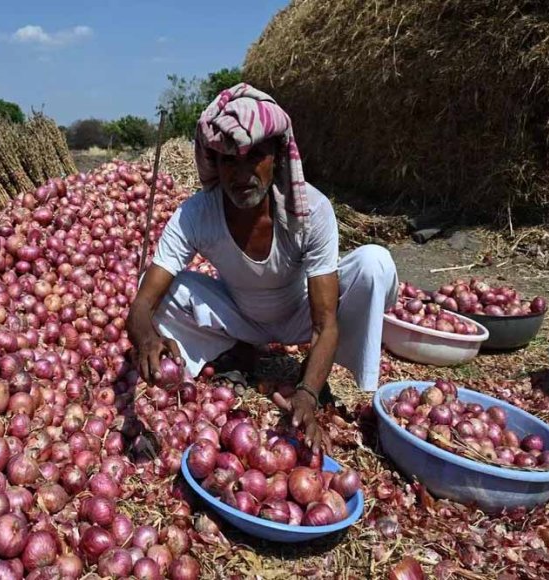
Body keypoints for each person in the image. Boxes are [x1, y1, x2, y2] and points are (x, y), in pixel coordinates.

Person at [127, 84, 398, 452]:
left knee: (373, 263)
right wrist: (146, 338)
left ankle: (329, 380)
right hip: (240, 316)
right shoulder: (196, 214)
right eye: (228, 161)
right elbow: (143, 303)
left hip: (300, 313)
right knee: (156, 285)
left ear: (277, 157)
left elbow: (325, 323)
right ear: (215, 164)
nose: (241, 174)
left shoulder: (312, 211)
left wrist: (306, 394)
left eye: (254, 156)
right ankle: (236, 353)